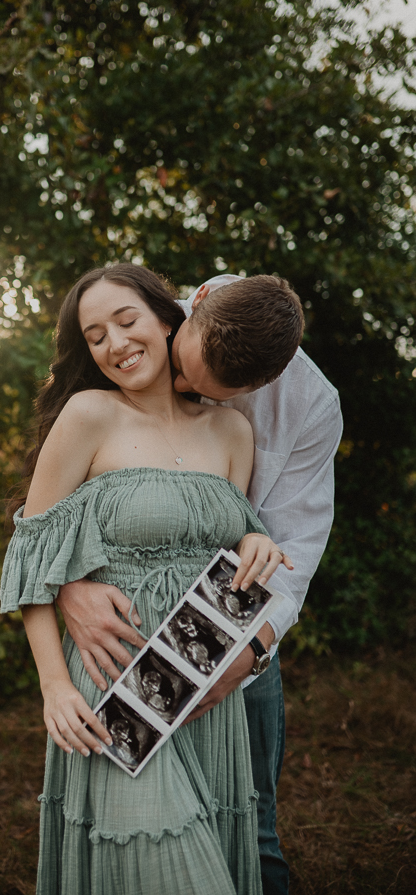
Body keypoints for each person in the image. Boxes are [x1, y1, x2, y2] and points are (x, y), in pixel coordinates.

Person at [0, 264, 294, 895]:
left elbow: (225, 536)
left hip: (197, 680)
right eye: (95, 334)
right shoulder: (88, 415)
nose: (113, 342)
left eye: (126, 321)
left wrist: (254, 539)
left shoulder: (233, 430)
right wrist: (54, 686)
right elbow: (30, 558)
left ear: (169, 320)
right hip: (115, 683)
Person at [57, 272, 344, 895]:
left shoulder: (311, 407)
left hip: (231, 629)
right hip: (124, 638)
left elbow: (295, 545)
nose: (179, 387)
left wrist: (250, 654)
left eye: (202, 389)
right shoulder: (133, 326)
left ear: (260, 386)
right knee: (138, 832)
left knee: (251, 830)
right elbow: (49, 500)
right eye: (184, 367)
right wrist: (68, 587)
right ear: (197, 305)